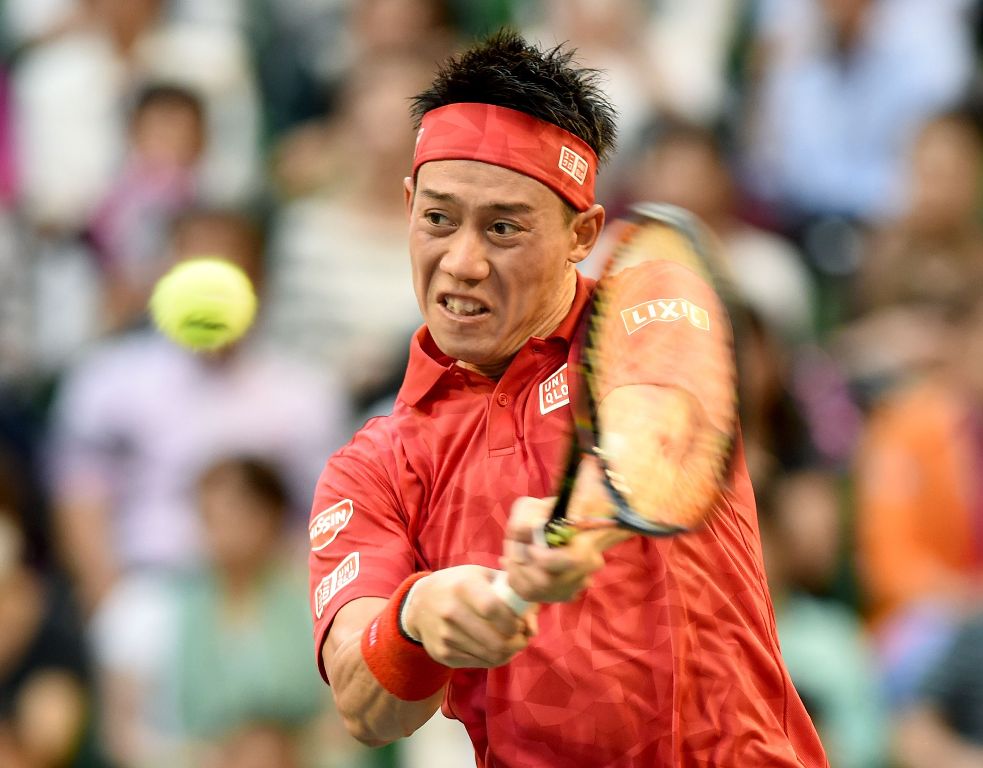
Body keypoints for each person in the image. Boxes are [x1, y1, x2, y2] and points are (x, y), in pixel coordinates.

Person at [308, 31, 828, 767]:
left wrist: (569, 526)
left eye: (504, 228)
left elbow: (657, 424)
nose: (462, 262)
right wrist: (416, 618)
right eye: (438, 219)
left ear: (582, 233)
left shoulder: (649, 297)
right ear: (408, 205)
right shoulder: (372, 469)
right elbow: (364, 705)